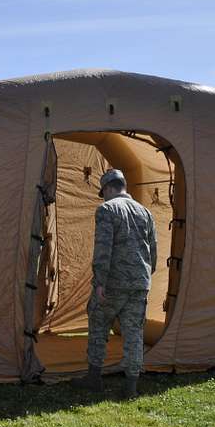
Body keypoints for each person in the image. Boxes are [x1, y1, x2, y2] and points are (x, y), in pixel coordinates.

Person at [73, 168, 157, 398]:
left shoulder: (107, 209)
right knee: (134, 334)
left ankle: (94, 378)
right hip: (140, 282)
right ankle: (131, 387)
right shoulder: (145, 212)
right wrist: (146, 276)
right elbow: (153, 250)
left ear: (109, 188)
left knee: (99, 325)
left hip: (113, 283)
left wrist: (100, 281)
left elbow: (103, 248)